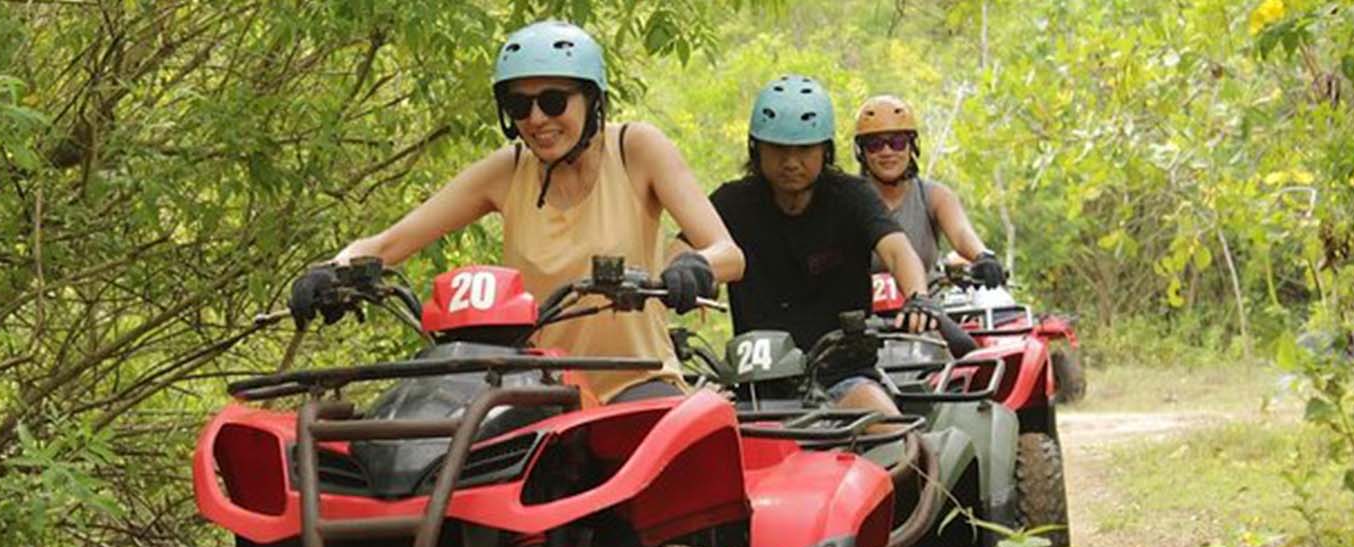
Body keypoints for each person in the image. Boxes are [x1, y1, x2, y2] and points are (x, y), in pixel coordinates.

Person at [289, 20, 744, 404]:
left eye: (553, 101)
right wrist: (332, 271)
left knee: (662, 457)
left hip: (635, 380)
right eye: (519, 105)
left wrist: (693, 267)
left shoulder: (636, 149)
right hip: (537, 389)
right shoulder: (507, 170)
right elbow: (390, 242)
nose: (537, 118)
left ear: (592, 99)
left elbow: (729, 253)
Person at [702, 75, 973, 416]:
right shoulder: (731, 202)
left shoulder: (852, 196)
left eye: (804, 149)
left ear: (825, 150)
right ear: (756, 149)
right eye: (778, 149)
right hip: (753, 385)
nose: (791, 162)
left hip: (844, 377)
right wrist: (685, 270)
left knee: (894, 433)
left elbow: (897, 250)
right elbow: (684, 249)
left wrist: (918, 297)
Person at [854, 94, 1007, 288]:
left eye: (897, 142)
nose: (887, 152)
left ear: (912, 147)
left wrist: (982, 256)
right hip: (859, 305)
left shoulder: (934, 196)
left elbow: (961, 233)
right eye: (874, 145)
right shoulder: (848, 199)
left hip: (925, 302)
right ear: (862, 151)